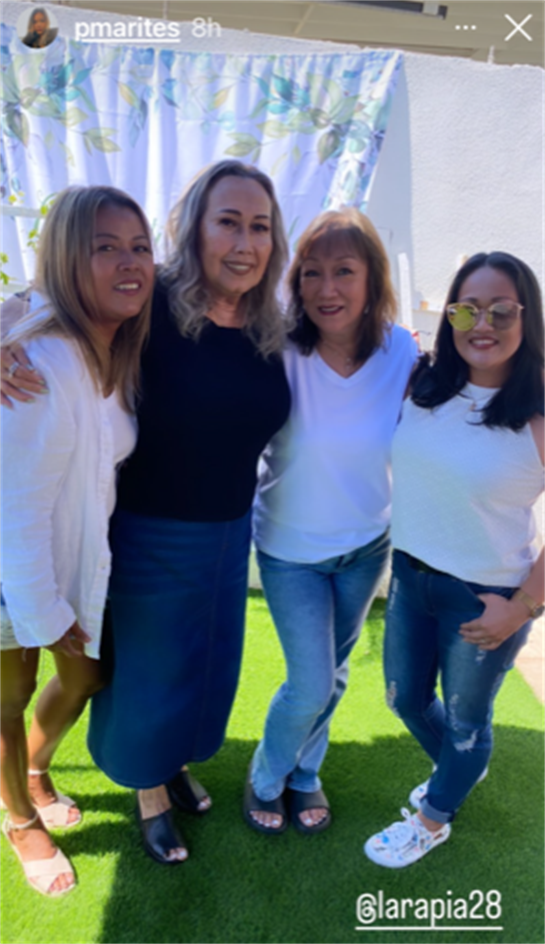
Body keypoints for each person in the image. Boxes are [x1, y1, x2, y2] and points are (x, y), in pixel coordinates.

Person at [0, 161, 291, 866]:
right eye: (227, 222)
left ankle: (171, 763)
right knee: (146, 675)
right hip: (149, 532)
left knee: (205, 668)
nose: (244, 243)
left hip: (229, 535)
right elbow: (42, 299)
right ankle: (146, 791)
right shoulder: (149, 298)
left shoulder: (271, 323)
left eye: (259, 227)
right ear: (194, 230)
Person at [364, 251, 544, 868]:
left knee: (467, 723)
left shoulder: (538, 416)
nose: (481, 324)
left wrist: (522, 609)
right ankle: (460, 771)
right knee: (405, 700)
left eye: (501, 311)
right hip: (411, 578)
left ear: (527, 317)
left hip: (484, 598)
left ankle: (432, 819)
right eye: (467, 310)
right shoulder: (423, 385)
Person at [0, 185, 154, 896]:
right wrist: (44, 611)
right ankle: (19, 819)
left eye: (140, 247)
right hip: (16, 570)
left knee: (86, 677)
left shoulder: (111, 349)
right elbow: (17, 508)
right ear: (66, 257)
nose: (130, 263)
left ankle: (32, 771)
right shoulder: (39, 363)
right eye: (105, 248)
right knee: (9, 694)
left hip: (70, 565)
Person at [244, 209, 418, 835]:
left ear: (372, 279)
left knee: (334, 676)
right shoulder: (276, 349)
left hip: (366, 546)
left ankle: (305, 773)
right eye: (311, 273)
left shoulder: (401, 350)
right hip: (290, 551)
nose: (326, 289)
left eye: (344, 271)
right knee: (310, 682)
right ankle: (265, 777)